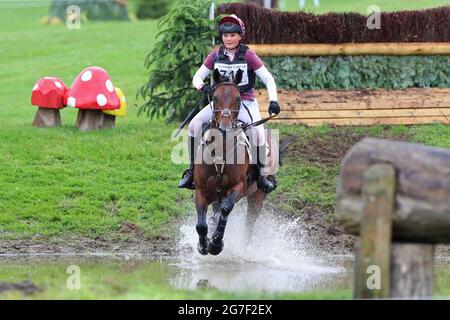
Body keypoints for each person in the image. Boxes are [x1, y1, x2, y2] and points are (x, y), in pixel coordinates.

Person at [178, 14, 281, 192]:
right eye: (225, 36)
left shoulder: (249, 55)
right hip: (220, 105)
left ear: (240, 36)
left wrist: (273, 101)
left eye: (233, 35)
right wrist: (203, 88)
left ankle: (262, 176)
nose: (229, 39)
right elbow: (197, 77)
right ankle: (191, 172)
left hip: (245, 103)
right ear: (222, 37)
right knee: (194, 125)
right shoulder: (215, 55)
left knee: (258, 133)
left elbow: (269, 79)